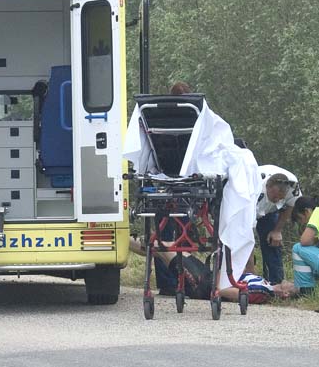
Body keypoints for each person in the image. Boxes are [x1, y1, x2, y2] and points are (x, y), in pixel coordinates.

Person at [129, 238, 294, 302]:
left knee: (162, 247)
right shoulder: (267, 283)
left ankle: (125, 239)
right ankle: (127, 240)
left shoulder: (263, 292)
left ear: (285, 293)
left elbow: (240, 294)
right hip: (208, 276)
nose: (290, 281)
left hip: (203, 284)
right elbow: (247, 270)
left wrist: (217, 289)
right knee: (163, 248)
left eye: (291, 285)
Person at [154, 81, 196, 295]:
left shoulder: (155, 115)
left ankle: (166, 283)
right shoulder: (195, 117)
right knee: (185, 232)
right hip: (187, 181)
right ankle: (188, 279)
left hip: (162, 179)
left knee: (163, 232)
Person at [255, 165, 301, 285]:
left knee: (273, 242)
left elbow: (291, 205)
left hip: (269, 212)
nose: (277, 199)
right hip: (247, 208)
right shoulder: (253, 184)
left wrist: (277, 230)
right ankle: (246, 280)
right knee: (243, 243)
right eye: (275, 196)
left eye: (281, 197)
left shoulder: (293, 186)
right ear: (267, 187)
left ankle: (276, 283)